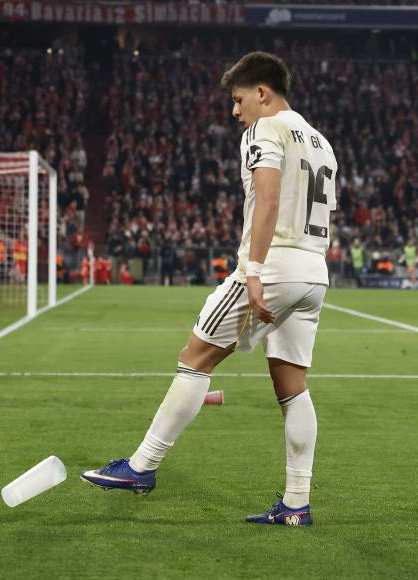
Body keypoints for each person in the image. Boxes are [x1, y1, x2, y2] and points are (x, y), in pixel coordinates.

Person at [81, 51, 338, 527]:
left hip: (273, 266)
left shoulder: (264, 130)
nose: (235, 112)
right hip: (314, 271)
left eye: (239, 100)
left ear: (262, 93)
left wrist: (255, 271)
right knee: (292, 388)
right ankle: (297, 504)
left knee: (194, 357)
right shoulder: (322, 142)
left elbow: (268, 199)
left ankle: (141, 467)